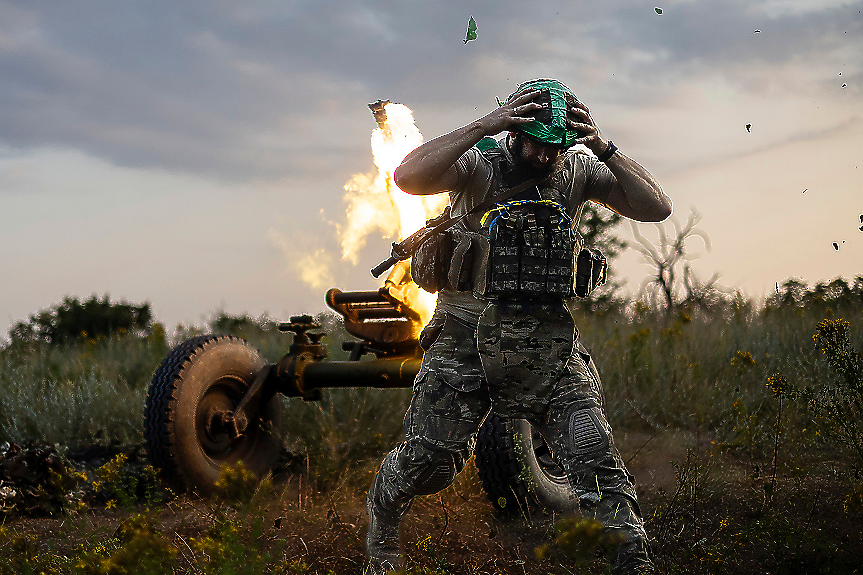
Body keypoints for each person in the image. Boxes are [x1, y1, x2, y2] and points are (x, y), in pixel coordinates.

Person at [365, 78, 672, 575]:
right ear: (515, 128)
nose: (545, 156)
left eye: (555, 146)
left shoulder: (576, 168)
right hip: (465, 337)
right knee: (430, 462)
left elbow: (656, 208)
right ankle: (381, 525)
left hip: (546, 346)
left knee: (594, 457)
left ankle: (633, 564)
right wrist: (485, 125)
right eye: (535, 142)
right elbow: (409, 178)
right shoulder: (478, 163)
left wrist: (603, 147)